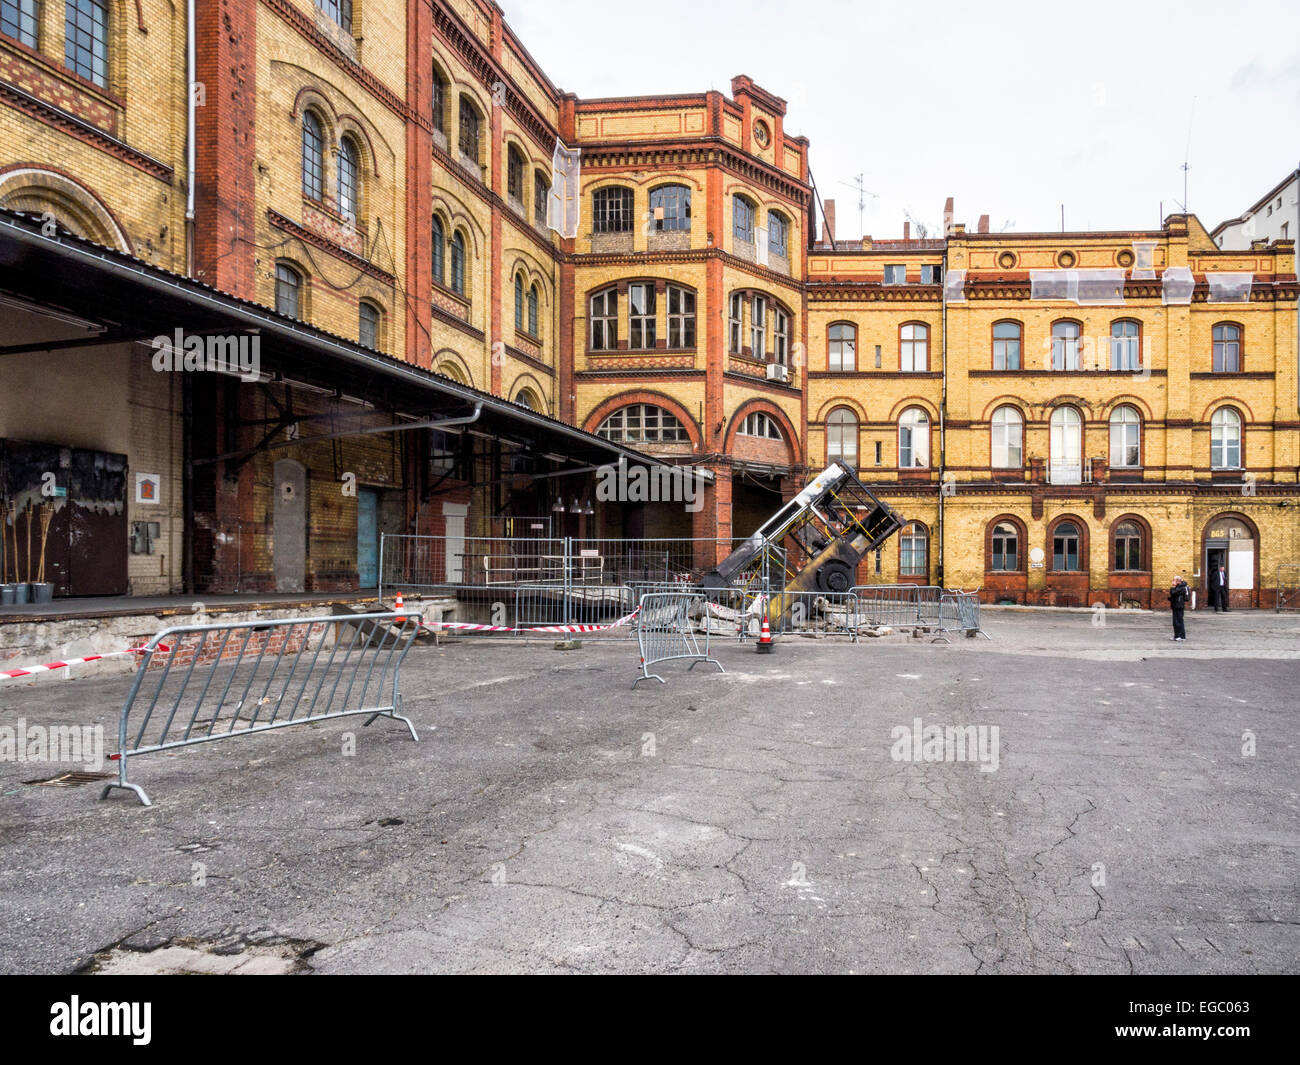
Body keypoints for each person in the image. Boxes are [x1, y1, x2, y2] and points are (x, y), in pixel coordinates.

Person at [1168, 575, 1189, 641]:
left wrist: (1173, 587)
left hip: (1179, 606)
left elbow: (1173, 592)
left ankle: (1182, 636)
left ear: (1178, 581)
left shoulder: (1181, 587)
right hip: (1175, 605)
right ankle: (1177, 635)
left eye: (1174, 580)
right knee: (1175, 622)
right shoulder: (1179, 587)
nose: (1173, 581)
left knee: (1179, 621)